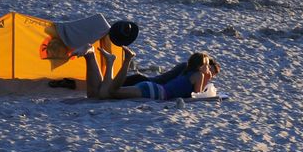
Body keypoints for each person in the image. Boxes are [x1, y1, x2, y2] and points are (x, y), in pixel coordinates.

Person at [85, 48, 217, 101]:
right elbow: (197, 95)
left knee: (102, 94)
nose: (209, 70)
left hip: (150, 86)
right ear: (200, 66)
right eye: (207, 66)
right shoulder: (198, 75)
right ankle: (120, 60)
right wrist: (208, 77)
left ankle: (93, 57)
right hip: (154, 91)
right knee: (109, 92)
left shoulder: (187, 72)